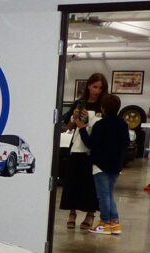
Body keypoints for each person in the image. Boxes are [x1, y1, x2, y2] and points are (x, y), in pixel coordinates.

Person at [59, 73, 106, 230]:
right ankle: (72, 212)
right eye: (95, 87)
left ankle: (90, 214)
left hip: (94, 150)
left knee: (90, 184)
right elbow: (69, 126)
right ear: (88, 86)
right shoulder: (79, 103)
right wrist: (74, 118)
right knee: (73, 182)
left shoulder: (103, 106)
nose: (97, 91)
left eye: (100, 88)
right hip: (77, 147)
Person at [79, 93, 129, 235]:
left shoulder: (100, 125)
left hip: (100, 165)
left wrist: (82, 128)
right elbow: (126, 143)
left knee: (103, 195)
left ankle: (104, 223)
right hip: (116, 165)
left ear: (103, 108)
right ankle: (114, 223)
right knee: (109, 194)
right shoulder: (123, 124)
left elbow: (90, 144)